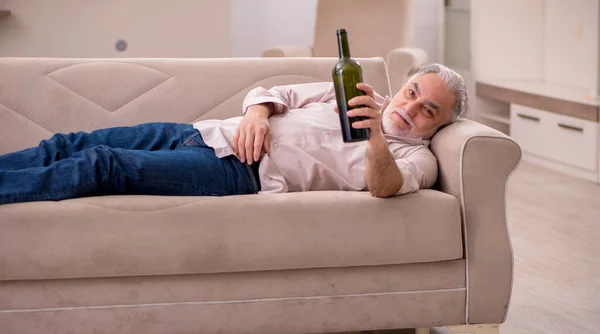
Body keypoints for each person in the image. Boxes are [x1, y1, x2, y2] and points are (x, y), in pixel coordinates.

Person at [0, 63, 468, 205]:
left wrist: (376, 140)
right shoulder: (354, 92)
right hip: (202, 133)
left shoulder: (419, 159)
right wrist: (257, 116)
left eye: (429, 110)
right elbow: (276, 90)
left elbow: (384, 187)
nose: (411, 109)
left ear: (441, 123)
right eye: (411, 92)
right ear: (402, 85)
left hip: (236, 171)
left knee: (101, 163)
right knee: (70, 144)